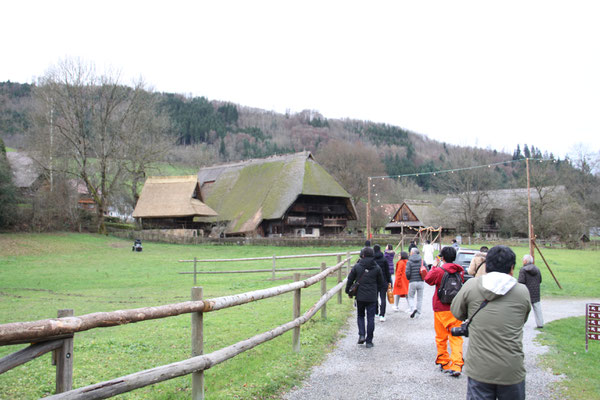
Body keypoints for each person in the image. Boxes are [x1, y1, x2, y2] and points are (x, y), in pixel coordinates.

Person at [451, 245, 531, 399]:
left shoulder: (472, 286)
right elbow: (522, 319)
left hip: (479, 368)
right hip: (511, 368)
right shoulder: (522, 292)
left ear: (486, 266)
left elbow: (457, 312)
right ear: (512, 268)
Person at [424, 246, 464, 377]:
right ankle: (457, 364)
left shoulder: (439, 271)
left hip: (440, 308)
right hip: (456, 309)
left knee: (441, 337)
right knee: (456, 337)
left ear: (443, 258)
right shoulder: (460, 271)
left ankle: (444, 361)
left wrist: (435, 266)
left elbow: (428, 279)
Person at [345, 247, 384, 348]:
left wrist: (347, 290)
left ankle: (362, 335)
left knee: (360, 315)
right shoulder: (377, 267)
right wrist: (376, 291)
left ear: (362, 255)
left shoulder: (357, 266)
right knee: (371, 318)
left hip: (360, 296)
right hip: (372, 297)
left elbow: (350, 279)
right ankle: (369, 341)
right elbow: (381, 282)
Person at [518, 254, 544, 329]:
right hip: (536, 292)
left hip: (526, 293)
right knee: (537, 308)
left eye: (523, 260)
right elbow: (540, 280)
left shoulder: (523, 270)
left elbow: (521, 282)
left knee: (523, 309)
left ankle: (520, 324)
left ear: (525, 261)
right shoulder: (537, 269)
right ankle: (540, 324)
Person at [374, 244, 392, 321]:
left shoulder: (372, 259)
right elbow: (387, 271)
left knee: (375, 297)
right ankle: (382, 314)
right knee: (383, 298)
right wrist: (389, 281)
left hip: (374, 281)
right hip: (383, 280)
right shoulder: (384, 259)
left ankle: (376, 312)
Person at [405, 247, 425, 318]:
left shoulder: (409, 261)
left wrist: (409, 278)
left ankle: (413, 308)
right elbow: (427, 270)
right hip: (421, 281)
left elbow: (407, 272)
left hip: (412, 281)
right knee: (420, 298)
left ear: (412, 253)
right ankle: (418, 314)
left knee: (410, 296)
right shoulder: (422, 261)